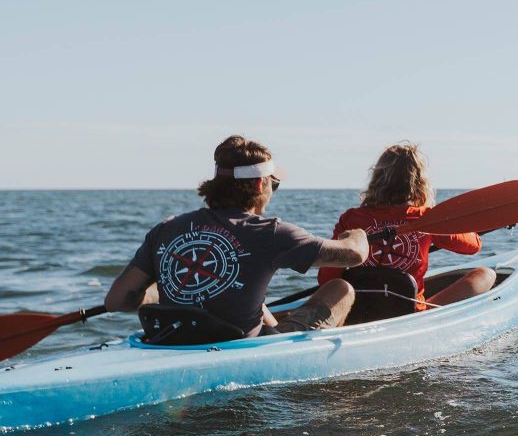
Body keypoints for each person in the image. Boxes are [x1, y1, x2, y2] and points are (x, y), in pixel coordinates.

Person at [105, 135, 369, 336]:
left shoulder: (166, 228)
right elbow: (355, 255)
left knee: (254, 299)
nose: (273, 190)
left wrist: (175, 289)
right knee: (340, 289)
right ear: (258, 184)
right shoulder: (271, 232)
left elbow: (117, 300)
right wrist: (357, 232)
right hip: (240, 345)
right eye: (273, 184)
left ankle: (274, 330)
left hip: (172, 338)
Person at [318, 143, 496, 310]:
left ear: (377, 179)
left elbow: (326, 278)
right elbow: (473, 246)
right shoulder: (427, 217)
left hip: (360, 310)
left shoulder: (352, 218)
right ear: (420, 182)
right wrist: (451, 222)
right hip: (409, 312)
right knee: (486, 274)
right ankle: (426, 313)